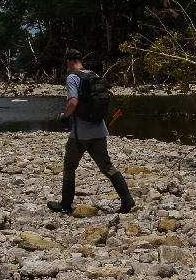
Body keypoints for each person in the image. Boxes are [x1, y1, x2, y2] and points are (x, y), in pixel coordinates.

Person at [49, 49, 135, 214]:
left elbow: (73, 103)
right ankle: (127, 200)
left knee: (69, 167)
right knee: (107, 166)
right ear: (80, 60)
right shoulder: (94, 74)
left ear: (68, 62)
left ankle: (65, 205)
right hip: (100, 129)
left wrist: (64, 116)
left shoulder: (72, 77)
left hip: (81, 134)